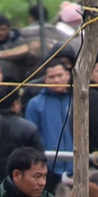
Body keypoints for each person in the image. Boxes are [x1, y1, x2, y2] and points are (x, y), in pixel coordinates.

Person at [24, 58, 73, 187]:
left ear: (68, 75)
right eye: (51, 77)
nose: (56, 80)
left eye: (60, 75)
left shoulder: (79, 99)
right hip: (48, 168)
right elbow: (30, 138)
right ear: (45, 80)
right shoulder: (35, 104)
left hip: (77, 166)